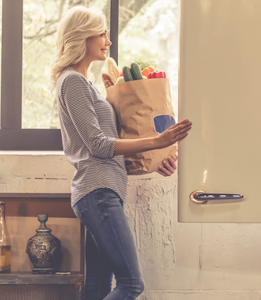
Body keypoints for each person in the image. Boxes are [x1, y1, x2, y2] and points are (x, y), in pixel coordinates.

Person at [51, 6, 192, 300]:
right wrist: (157, 141)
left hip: (101, 192)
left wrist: (154, 162)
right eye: (101, 34)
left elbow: (109, 152)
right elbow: (99, 145)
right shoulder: (72, 82)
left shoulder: (85, 83)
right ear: (82, 38)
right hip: (98, 194)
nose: (108, 40)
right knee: (131, 285)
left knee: (98, 288)